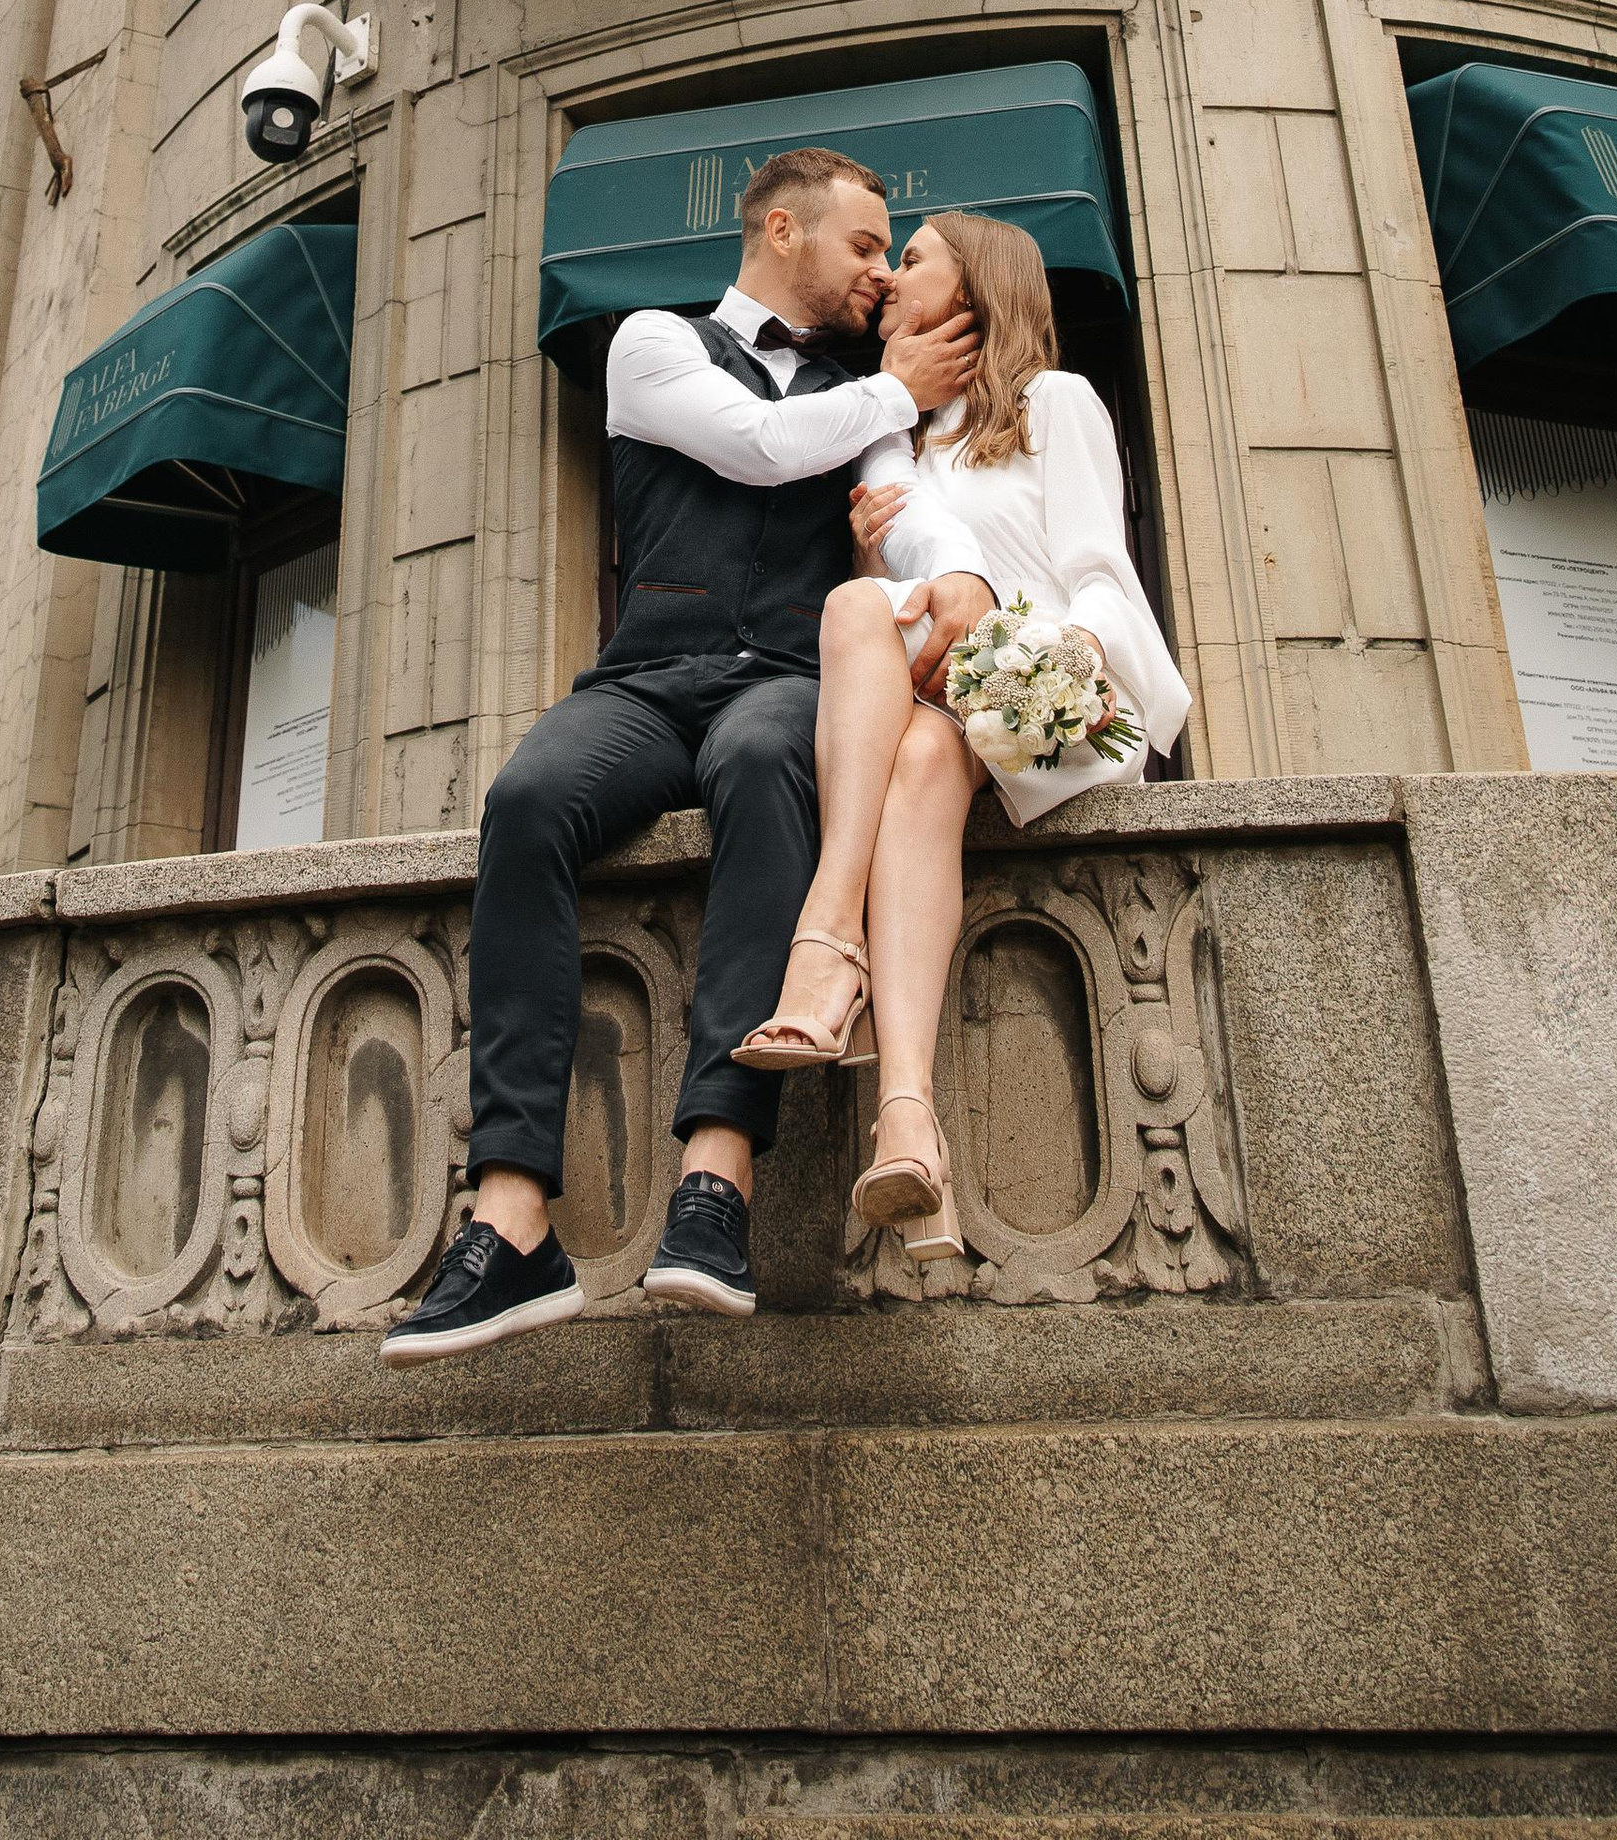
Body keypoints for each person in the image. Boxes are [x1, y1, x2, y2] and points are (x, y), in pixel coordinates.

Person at [382, 145, 984, 1359]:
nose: (879, 271)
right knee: (529, 798)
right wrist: (896, 389)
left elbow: (897, 508)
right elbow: (755, 446)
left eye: (887, 254)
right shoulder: (652, 343)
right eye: (863, 245)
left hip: (786, 682)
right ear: (779, 228)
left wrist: (938, 560)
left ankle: (716, 1186)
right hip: (646, 679)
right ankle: (510, 1219)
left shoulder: (866, 389)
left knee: (770, 771)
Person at [734, 208, 1191, 1261]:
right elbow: (889, 620)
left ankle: (823, 950)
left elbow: (1093, 570)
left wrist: (1053, 661)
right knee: (883, 668)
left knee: (908, 690)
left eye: (915, 259)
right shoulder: (895, 435)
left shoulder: (1054, 403)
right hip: (935, 723)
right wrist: (868, 562)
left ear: (977, 285)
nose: (891, 277)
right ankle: (906, 1118)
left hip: (1040, 696)